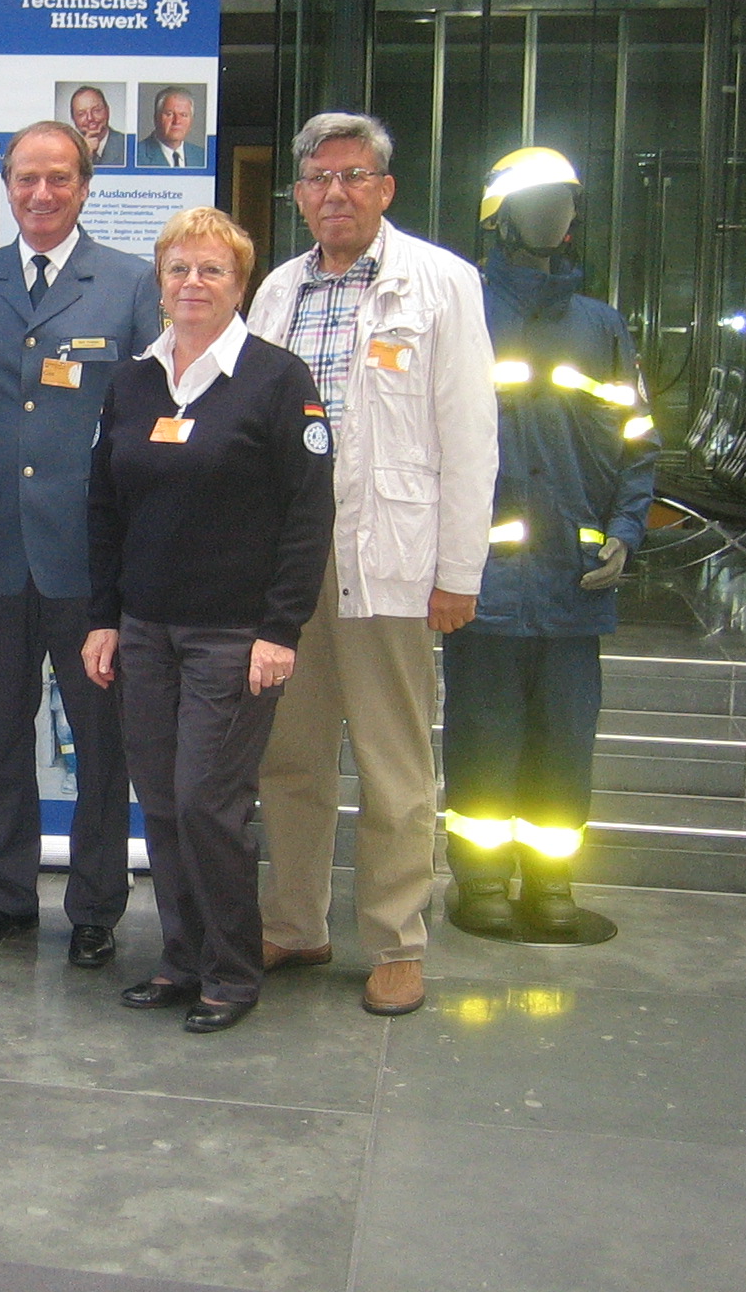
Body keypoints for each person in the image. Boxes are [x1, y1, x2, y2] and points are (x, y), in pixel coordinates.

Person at [247, 111, 498, 1017]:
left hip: (390, 557)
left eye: (353, 176)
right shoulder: (277, 291)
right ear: (299, 195)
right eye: (318, 178)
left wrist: (459, 571)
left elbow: (471, 435)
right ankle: (294, 923)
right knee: (290, 756)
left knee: (394, 764)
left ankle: (396, 941)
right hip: (288, 565)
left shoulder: (440, 283)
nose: (335, 193)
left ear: (385, 189)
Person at [84, 207, 335, 1033]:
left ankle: (232, 971)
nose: (193, 283)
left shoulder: (278, 380)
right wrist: (104, 618)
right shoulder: (132, 382)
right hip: (145, 631)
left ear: (240, 285)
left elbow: (308, 516)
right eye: (179, 269)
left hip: (234, 636)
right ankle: (182, 959)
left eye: (212, 270)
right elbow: (103, 509)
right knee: (160, 801)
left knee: (207, 803)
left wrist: (281, 630)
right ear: (160, 284)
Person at [0, 120, 163, 968]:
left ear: (85, 187)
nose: (41, 193)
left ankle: (96, 906)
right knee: (0, 735)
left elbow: (146, 430)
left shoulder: (132, 284)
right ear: (6, 187)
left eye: (59, 178)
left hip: (90, 562)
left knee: (101, 743)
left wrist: (133, 558)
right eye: (26, 178)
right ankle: (3, 896)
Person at [442, 148, 658, 935]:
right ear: (499, 216)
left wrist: (626, 533)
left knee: (565, 746)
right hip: (484, 582)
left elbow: (636, 443)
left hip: (573, 581)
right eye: (537, 202)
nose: (553, 215)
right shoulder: (459, 313)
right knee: (482, 739)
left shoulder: (600, 327)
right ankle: (480, 884)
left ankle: (551, 885)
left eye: (563, 202)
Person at [135, 88, 206, 169]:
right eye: (169, 114)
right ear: (156, 118)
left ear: (191, 120)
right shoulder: (135, 156)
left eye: (183, 115)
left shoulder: (203, 157)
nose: (177, 121)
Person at [68, 86, 128, 169]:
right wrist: (84, 154)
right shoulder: (68, 150)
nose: (90, 118)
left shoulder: (128, 145)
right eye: (81, 114)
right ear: (73, 118)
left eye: (96, 110)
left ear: (107, 111)